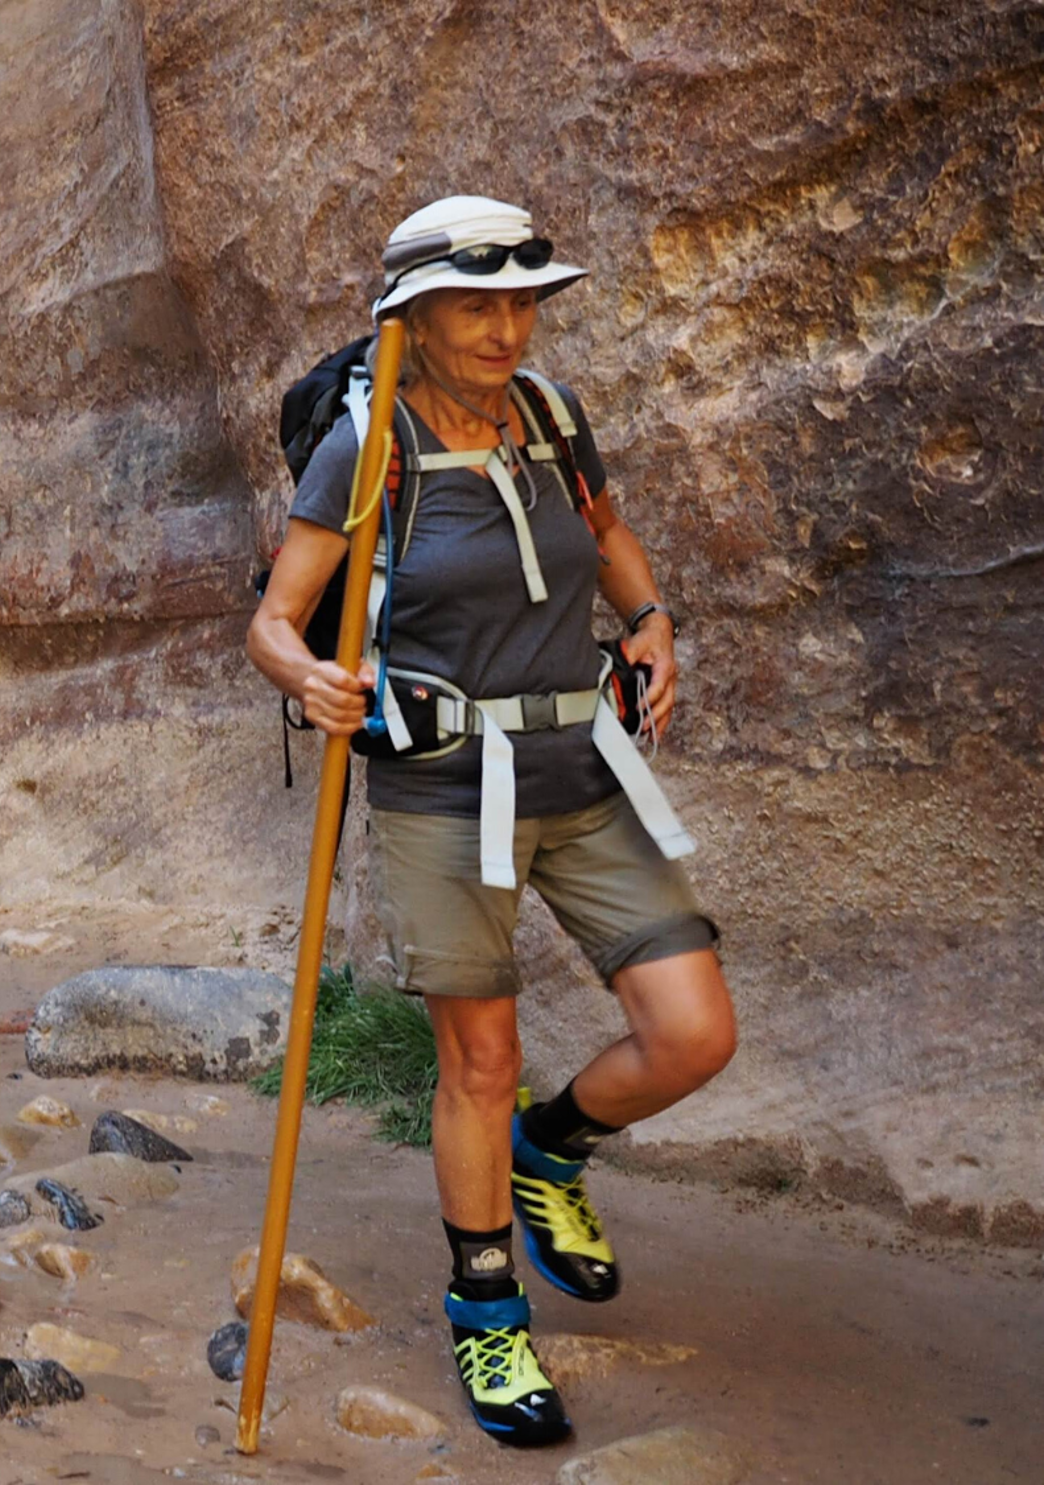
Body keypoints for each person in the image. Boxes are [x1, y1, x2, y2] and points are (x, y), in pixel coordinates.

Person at [248, 195, 736, 1445]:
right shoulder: (367, 445)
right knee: (477, 1057)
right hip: (444, 785)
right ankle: (488, 1316)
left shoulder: (554, 418)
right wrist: (307, 677)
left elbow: (610, 536)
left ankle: (550, 1149)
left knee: (694, 1032)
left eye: (524, 300)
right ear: (414, 313)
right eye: (481, 303)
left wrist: (653, 619)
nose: (509, 326)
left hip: (583, 762)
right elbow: (274, 616)